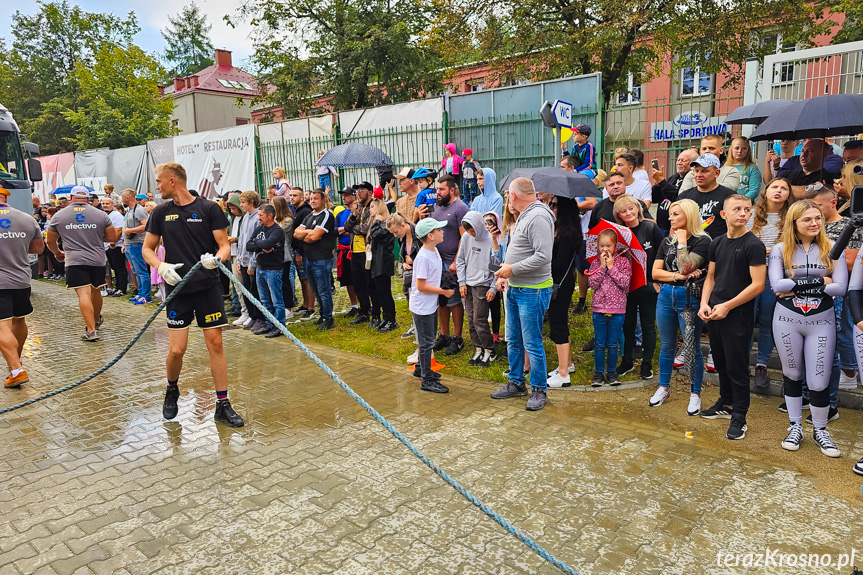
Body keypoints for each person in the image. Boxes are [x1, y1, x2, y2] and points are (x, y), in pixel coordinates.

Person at [143, 162, 243, 428]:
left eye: (159, 181)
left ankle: (222, 404)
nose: (157, 186)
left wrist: (216, 260)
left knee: (216, 345)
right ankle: (172, 388)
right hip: (178, 290)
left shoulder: (209, 208)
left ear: (173, 181)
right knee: (177, 350)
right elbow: (147, 249)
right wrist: (161, 266)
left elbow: (224, 246)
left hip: (207, 286)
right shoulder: (161, 213)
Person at [769, 199, 845, 457]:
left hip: (821, 321)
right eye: (807, 219)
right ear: (794, 222)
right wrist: (822, 281)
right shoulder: (780, 249)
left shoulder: (833, 248)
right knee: (792, 374)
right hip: (787, 320)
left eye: (818, 218)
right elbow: (777, 286)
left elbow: (841, 287)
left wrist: (796, 283)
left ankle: (821, 430)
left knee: (818, 380)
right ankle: (795, 426)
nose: (814, 223)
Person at [698, 194, 766, 440]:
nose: (743, 213)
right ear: (723, 215)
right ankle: (725, 405)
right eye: (736, 209)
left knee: (737, 368)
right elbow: (711, 277)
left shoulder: (753, 245)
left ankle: (740, 417)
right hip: (715, 313)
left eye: (747, 209)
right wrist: (705, 302)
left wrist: (727, 305)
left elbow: (758, 285)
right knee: (722, 364)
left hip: (737, 316)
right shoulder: (716, 242)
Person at [490, 177, 555, 411]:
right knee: (514, 339)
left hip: (533, 290)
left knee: (532, 342)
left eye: (508, 195)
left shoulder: (537, 216)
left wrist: (511, 269)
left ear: (513, 195)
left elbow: (543, 256)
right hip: (515, 288)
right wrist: (505, 275)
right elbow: (519, 252)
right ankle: (517, 383)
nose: (507, 199)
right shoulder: (524, 215)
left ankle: (539, 389)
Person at [650, 199, 710, 413]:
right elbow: (655, 273)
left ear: (689, 215)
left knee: (692, 347)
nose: (670, 218)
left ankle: (695, 393)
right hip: (666, 295)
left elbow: (686, 266)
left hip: (689, 298)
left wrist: (683, 242)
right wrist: (676, 275)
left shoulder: (703, 240)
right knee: (667, 346)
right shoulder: (667, 241)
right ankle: (664, 387)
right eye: (671, 214)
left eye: (675, 214)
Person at [806, 183, 861, 409]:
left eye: (818, 206)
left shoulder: (853, 224)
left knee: (838, 339)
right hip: (811, 292)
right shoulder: (809, 225)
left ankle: (839, 385)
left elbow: (853, 261)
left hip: (842, 290)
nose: (814, 213)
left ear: (833, 202)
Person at [46, 186, 118, 342]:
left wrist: (57, 253)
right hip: (97, 259)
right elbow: (112, 237)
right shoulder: (100, 214)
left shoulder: (59, 216)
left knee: (83, 294)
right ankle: (97, 321)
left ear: (71, 197)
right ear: (88, 198)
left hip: (75, 260)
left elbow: (49, 241)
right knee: (96, 291)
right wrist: (97, 238)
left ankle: (91, 331)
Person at [747, 178, 792, 388]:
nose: (779, 190)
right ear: (766, 191)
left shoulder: (792, 216)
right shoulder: (751, 214)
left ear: (788, 194)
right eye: (774, 186)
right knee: (746, 319)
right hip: (750, 273)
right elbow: (743, 242)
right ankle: (742, 362)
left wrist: (773, 251)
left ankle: (762, 364)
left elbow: (792, 247)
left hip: (775, 275)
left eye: (784, 188)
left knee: (767, 321)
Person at [418, 175, 470, 355]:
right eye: (437, 189)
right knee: (441, 300)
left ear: (452, 190)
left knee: (454, 301)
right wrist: (420, 216)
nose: (437, 193)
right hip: (435, 262)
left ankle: (457, 337)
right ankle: (444, 335)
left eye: (441, 189)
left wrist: (456, 261)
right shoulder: (437, 206)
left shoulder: (461, 208)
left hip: (452, 263)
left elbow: (465, 237)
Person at [614, 195, 663, 380]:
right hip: (626, 286)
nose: (628, 213)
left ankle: (646, 363)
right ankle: (627, 361)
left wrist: (659, 280)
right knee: (627, 324)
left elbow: (662, 252)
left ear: (637, 208)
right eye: (623, 211)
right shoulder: (619, 233)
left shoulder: (650, 227)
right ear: (618, 214)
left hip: (648, 285)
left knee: (648, 325)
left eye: (630, 208)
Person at [0, 187, 44, 388]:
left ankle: (17, 369)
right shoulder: (27, 218)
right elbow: (38, 249)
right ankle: (15, 363)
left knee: (1, 326)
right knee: (19, 320)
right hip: (21, 279)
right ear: (6, 196)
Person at [410, 218, 454, 394]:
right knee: (426, 342)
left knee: (428, 338)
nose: (442, 232)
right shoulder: (423, 257)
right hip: (422, 307)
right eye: (439, 230)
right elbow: (421, 286)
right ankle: (427, 380)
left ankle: (422, 368)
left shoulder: (434, 251)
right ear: (430, 235)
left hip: (430, 304)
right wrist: (443, 292)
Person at [545, 196, 582, 387]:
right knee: (560, 323)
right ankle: (567, 363)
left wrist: (542, 261)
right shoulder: (559, 229)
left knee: (557, 324)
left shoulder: (567, 234)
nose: (550, 207)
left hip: (561, 283)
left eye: (554, 204)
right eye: (550, 203)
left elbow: (559, 263)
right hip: (558, 282)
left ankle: (563, 374)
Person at [587, 228, 631, 386]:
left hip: (617, 309)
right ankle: (598, 373)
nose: (605, 249)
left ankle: (611, 372)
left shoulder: (624, 262)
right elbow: (592, 283)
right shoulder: (595, 263)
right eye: (601, 246)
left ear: (615, 246)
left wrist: (612, 267)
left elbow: (625, 283)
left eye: (608, 246)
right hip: (599, 309)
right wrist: (602, 268)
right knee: (599, 343)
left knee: (613, 343)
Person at [456, 211, 499, 367]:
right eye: (467, 230)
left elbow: (496, 266)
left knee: (479, 320)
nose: (470, 233)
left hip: (483, 284)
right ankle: (479, 347)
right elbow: (460, 260)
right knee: (470, 319)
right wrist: (461, 282)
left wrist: (493, 288)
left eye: (472, 229)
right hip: (468, 283)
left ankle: (489, 349)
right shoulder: (466, 237)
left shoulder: (489, 240)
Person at [293, 189, 337, 331]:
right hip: (309, 258)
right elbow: (296, 234)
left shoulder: (326, 215)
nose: (312, 201)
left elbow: (314, 237)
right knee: (316, 290)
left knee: (324, 291)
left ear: (323, 200)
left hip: (322, 259)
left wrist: (307, 234)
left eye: (315, 198)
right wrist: (307, 232)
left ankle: (329, 319)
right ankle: (323, 315)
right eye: (311, 198)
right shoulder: (310, 215)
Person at [246, 203, 286, 338]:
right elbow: (248, 245)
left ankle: (279, 325)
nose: (259, 218)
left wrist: (258, 243)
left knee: (276, 300)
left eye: (261, 215)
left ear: (270, 216)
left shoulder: (277, 230)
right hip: (260, 268)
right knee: (265, 300)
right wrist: (260, 244)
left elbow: (268, 244)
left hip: (273, 269)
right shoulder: (259, 228)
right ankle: (269, 323)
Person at [678, 153, 735, 240]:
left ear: (717, 173)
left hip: (718, 249)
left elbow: (735, 228)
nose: (699, 175)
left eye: (705, 171)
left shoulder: (730, 197)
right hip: (690, 249)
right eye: (696, 171)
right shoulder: (684, 197)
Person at [343, 182, 377, 325]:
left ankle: (375, 312)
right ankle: (363, 312)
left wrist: (353, 228)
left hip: (367, 251)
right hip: (355, 250)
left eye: (361, 191)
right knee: (358, 283)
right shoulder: (358, 208)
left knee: (370, 283)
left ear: (369, 192)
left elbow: (366, 228)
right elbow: (346, 227)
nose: (358, 194)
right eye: (357, 191)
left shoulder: (373, 207)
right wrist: (354, 215)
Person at [236, 191, 267, 332]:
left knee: (255, 291)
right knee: (246, 290)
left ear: (251, 203)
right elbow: (242, 239)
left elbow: (256, 242)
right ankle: (252, 316)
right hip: (243, 260)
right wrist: (239, 259)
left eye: (243, 202)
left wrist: (252, 263)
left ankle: (260, 317)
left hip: (251, 262)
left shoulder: (256, 219)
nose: (241, 205)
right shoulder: (245, 218)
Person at [651, 149, 700, 234]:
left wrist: (662, 181)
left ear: (693, 163)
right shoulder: (673, 178)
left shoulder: (693, 180)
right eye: (678, 160)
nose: (679, 163)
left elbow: (679, 198)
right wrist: (658, 184)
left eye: (683, 160)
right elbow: (655, 198)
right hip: (662, 226)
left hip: (676, 228)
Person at [367, 198, 398, 332]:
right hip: (376, 261)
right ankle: (385, 318)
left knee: (386, 292)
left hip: (383, 261)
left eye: (373, 207)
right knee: (380, 292)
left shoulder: (386, 223)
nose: (370, 209)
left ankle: (392, 319)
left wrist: (377, 221)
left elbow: (375, 234)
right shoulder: (378, 224)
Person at [121, 188, 151, 304]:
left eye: (123, 197)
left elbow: (146, 225)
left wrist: (130, 230)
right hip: (129, 244)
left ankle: (146, 295)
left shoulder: (139, 210)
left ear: (128, 197)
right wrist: (124, 243)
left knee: (141, 270)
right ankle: (140, 292)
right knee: (136, 270)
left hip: (137, 244)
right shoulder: (129, 210)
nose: (122, 199)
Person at [289, 187, 315, 317]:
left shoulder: (305, 211)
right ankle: (305, 304)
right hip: (296, 249)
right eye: (291, 195)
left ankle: (311, 307)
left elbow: (305, 233)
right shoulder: (296, 210)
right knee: (302, 278)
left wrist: (299, 252)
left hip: (303, 251)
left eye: (295, 195)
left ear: (301, 197)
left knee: (307, 279)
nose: (292, 197)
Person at [226, 193, 251, 326]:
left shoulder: (246, 218)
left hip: (243, 255)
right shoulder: (232, 219)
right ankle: (244, 311)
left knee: (244, 285)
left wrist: (234, 239)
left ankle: (249, 313)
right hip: (234, 254)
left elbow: (245, 236)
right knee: (237, 284)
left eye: (234, 207)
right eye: (230, 208)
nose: (233, 210)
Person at [334, 187, 359, 317]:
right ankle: (354, 305)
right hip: (343, 249)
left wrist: (344, 230)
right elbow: (334, 230)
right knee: (348, 279)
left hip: (355, 249)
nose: (344, 197)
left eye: (347, 195)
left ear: (354, 196)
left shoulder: (358, 212)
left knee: (360, 278)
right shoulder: (340, 214)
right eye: (343, 195)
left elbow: (358, 229)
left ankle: (367, 304)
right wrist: (347, 229)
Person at [272, 196, 296, 320]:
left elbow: (277, 232)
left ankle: (289, 307)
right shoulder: (276, 219)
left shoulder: (287, 220)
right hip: (274, 256)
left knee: (285, 281)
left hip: (284, 254)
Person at [101, 196, 127, 297]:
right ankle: (117, 287)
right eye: (103, 204)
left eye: (107, 204)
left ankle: (122, 288)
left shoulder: (116, 215)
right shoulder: (105, 214)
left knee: (120, 268)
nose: (105, 205)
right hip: (108, 246)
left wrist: (113, 243)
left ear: (112, 205)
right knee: (114, 268)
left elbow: (119, 230)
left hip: (116, 246)